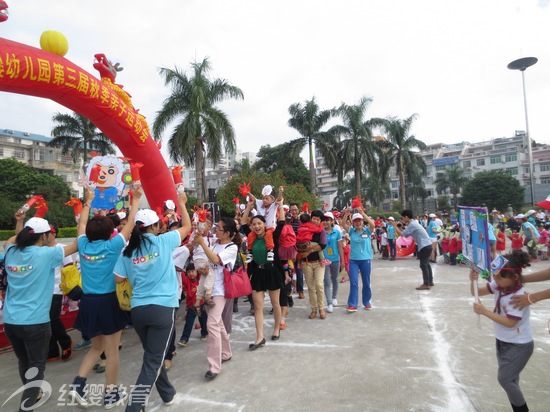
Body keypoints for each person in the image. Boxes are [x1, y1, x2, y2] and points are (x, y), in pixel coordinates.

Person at [114, 190, 191, 411]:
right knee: (153, 361)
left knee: (152, 356)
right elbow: (186, 227)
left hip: (138, 311)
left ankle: (167, 394)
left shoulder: (127, 251)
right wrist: (182, 204)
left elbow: (118, 279)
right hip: (162, 309)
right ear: (156, 227)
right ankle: (134, 406)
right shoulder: (163, 241)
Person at [68, 185, 142, 409]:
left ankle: (78, 385)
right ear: (109, 231)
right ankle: (111, 394)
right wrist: (136, 199)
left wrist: (88, 201)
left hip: (88, 302)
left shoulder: (83, 245)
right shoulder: (113, 246)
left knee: (96, 347)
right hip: (109, 301)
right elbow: (130, 224)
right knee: (112, 352)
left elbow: (81, 224)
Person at [3, 212, 78, 411]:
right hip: (35, 322)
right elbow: (78, 243)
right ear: (44, 236)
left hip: (11, 322)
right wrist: (84, 214)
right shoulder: (47, 254)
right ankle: (26, 406)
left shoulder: (10, 250)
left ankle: (33, 393)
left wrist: (19, 221)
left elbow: (13, 239)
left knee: (25, 363)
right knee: (36, 367)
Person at [469, 250, 533, 412]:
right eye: (495, 276)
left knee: (505, 379)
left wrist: (484, 311)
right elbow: (476, 292)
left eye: (500, 277)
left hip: (519, 345)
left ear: (515, 278)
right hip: (503, 341)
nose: (496, 280)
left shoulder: (518, 296)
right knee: (511, 380)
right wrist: (473, 281)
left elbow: (510, 322)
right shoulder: (499, 286)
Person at [192, 217, 239, 378]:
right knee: (217, 323)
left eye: (218, 228)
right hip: (209, 289)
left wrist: (203, 244)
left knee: (211, 324)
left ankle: (214, 366)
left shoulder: (232, 248)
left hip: (220, 291)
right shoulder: (215, 243)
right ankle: (226, 353)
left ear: (227, 233)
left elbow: (215, 259)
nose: (215, 230)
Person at [241, 198, 284, 344]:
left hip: (272, 272)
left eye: (259, 223)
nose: (257, 226)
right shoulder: (251, 236)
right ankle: (260, 337)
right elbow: (242, 223)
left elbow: (282, 223)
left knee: (275, 304)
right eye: (254, 224)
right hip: (258, 273)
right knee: (258, 306)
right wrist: (249, 207)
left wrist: (280, 206)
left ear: (265, 224)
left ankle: (276, 328)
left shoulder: (272, 235)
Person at [47, 222, 76, 363]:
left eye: (48, 232)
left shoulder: (62, 249)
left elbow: (69, 269)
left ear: (54, 234)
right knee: (44, 321)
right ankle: (52, 350)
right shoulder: (38, 250)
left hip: (56, 289)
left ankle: (66, 342)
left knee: (53, 318)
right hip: (41, 291)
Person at [340, 208, 375, 312]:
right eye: (356, 221)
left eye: (359, 220)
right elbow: (343, 224)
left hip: (366, 260)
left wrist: (363, 213)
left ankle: (367, 301)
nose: (358, 223)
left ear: (362, 221)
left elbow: (372, 225)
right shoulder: (352, 231)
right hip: (354, 260)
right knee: (354, 282)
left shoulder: (367, 231)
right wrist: (346, 214)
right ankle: (352, 304)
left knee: (366, 282)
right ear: (353, 223)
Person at [391, 210, 434, 290]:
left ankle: (426, 284)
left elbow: (403, 234)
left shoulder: (412, 224)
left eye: (403, 217)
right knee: (426, 264)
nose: (402, 219)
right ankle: (430, 281)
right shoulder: (413, 223)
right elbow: (406, 234)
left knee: (423, 265)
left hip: (424, 246)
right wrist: (400, 227)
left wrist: (395, 227)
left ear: (406, 217)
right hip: (427, 245)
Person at [299, 209, 328, 319]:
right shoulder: (305, 228)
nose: (315, 220)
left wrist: (310, 251)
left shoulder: (321, 231)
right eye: (314, 218)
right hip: (306, 263)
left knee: (319, 285)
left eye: (318, 219)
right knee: (311, 287)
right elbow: (300, 243)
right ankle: (313, 309)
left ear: (320, 221)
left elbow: (323, 245)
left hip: (318, 262)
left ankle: (321, 308)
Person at [245, 185, 283, 263]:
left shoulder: (274, 205)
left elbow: (279, 199)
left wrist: (280, 192)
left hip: (270, 227)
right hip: (260, 228)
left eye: (267, 198)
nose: (264, 200)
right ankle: (250, 251)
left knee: (268, 235)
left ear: (272, 199)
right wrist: (248, 193)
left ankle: (270, 251)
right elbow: (253, 198)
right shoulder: (259, 203)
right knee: (250, 235)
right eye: (263, 198)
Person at [178, 263, 208, 347]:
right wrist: (179, 267)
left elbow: (204, 270)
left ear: (197, 272)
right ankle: (184, 339)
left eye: (193, 271)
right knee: (189, 323)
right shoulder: (187, 282)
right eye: (188, 272)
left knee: (203, 320)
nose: (191, 273)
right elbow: (182, 277)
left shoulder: (200, 279)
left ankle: (204, 332)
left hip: (200, 305)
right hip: (191, 307)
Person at [323, 212, 343, 313]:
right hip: (325, 260)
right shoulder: (321, 232)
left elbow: (340, 246)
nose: (325, 222)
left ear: (332, 221)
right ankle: (329, 302)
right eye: (324, 220)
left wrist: (343, 260)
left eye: (327, 220)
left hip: (335, 259)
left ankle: (334, 297)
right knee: (326, 282)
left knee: (334, 279)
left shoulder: (337, 232)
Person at [289, 202, 305, 299]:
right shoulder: (288, 221)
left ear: (298, 210)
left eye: (295, 210)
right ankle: (288, 290)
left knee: (299, 271)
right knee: (289, 270)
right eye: (292, 210)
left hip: (299, 249)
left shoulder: (301, 221)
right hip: (289, 250)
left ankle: (300, 290)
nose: (294, 212)